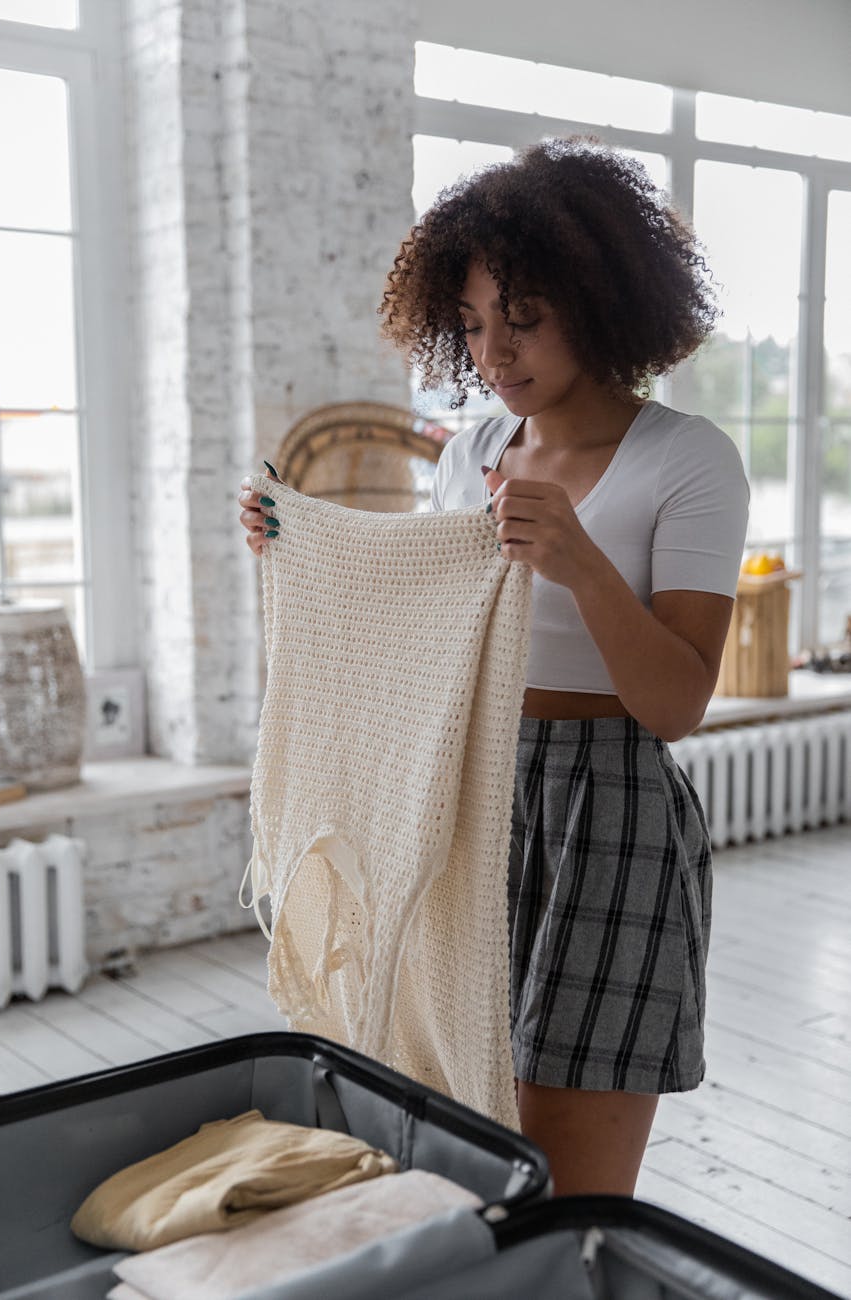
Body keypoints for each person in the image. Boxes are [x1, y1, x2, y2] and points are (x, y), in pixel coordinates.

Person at [238, 137, 749, 1197]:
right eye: (470, 323)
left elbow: (679, 701)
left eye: (522, 317)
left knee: (573, 1185)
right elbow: (426, 630)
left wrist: (580, 561)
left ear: (603, 301)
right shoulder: (475, 451)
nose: (493, 351)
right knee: (457, 1144)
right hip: (464, 791)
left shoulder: (688, 459)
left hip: (606, 811)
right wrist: (300, 551)